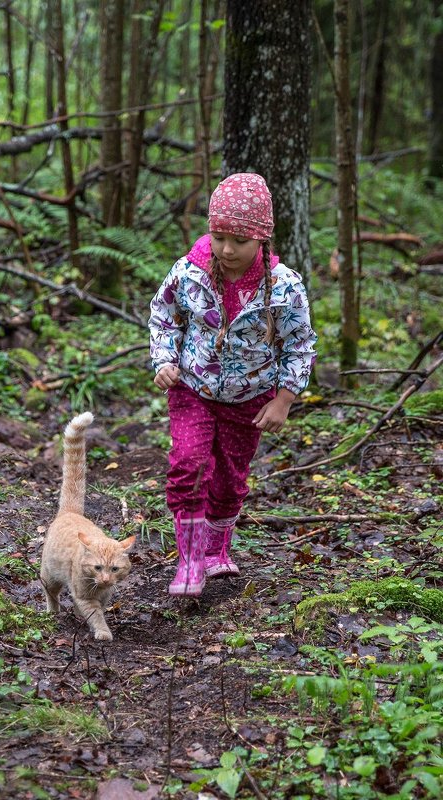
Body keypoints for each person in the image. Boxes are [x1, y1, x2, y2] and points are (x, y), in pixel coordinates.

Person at [149, 172, 317, 596]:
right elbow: (164, 314)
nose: (227, 249)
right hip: (194, 389)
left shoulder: (283, 287)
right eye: (219, 236)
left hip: (250, 397)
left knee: (230, 476)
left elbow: (300, 343)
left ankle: (215, 551)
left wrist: (283, 399)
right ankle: (188, 561)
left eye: (239, 241)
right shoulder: (189, 272)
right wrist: (165, 360)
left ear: (262, 239)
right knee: (188, 465)